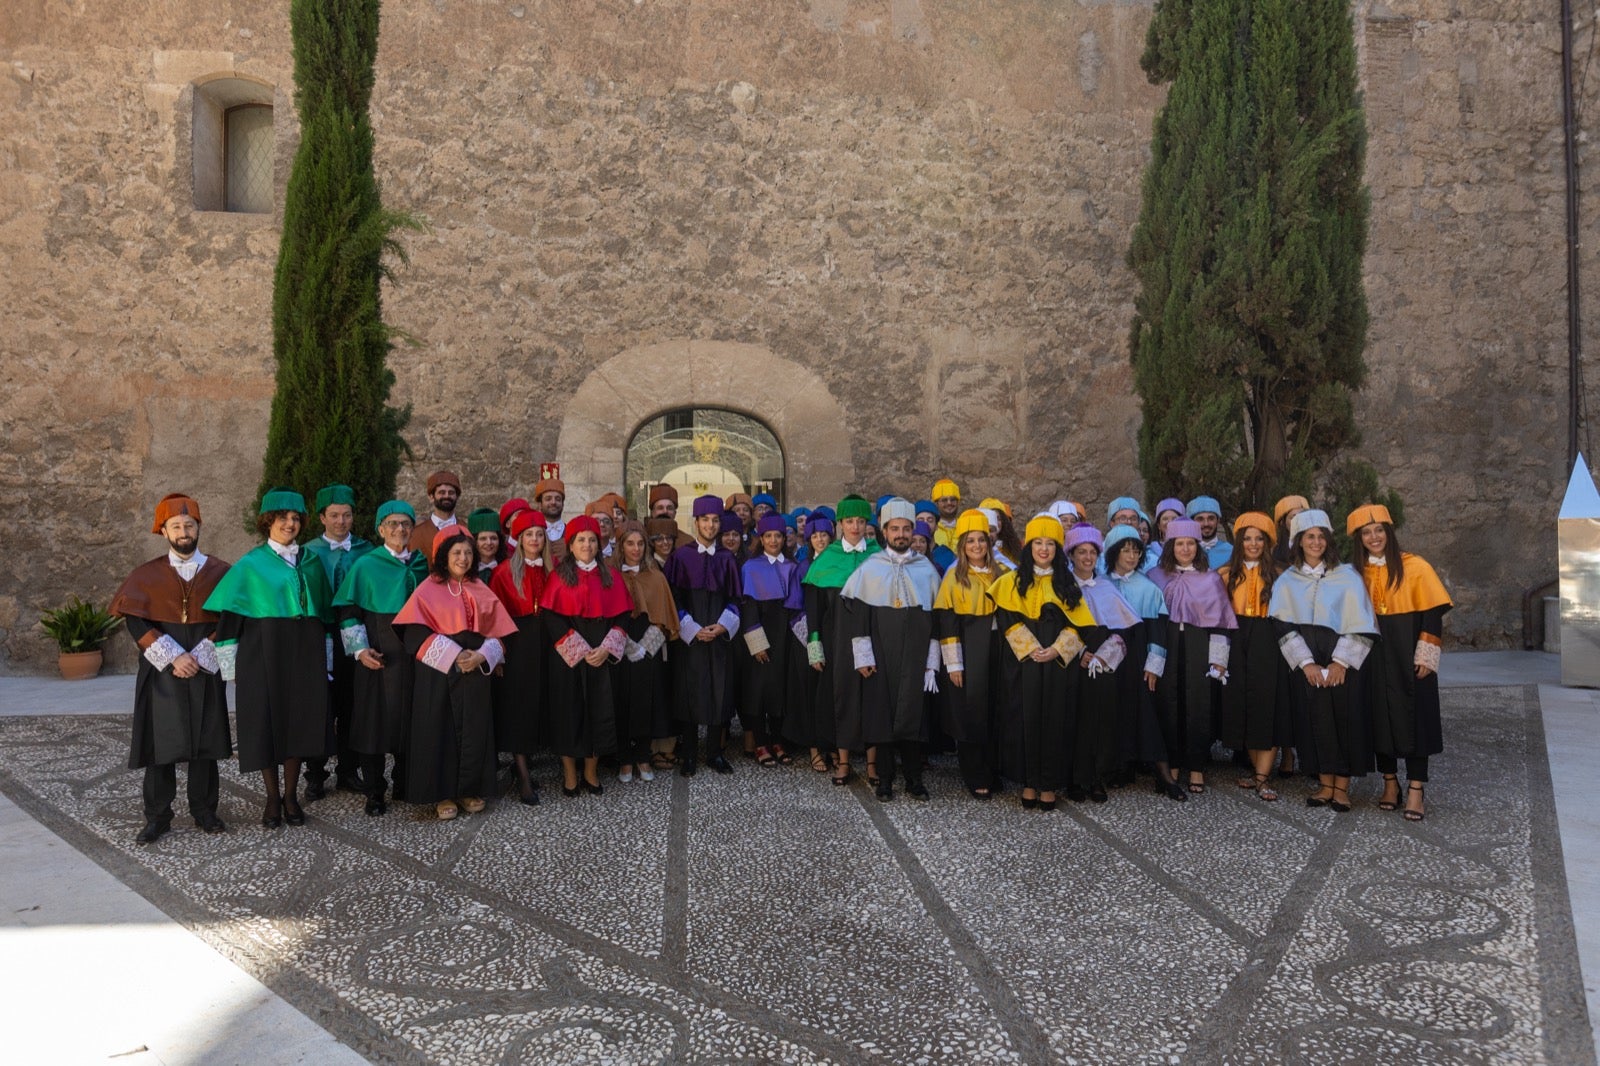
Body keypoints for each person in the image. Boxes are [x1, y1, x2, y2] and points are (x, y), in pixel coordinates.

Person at [205, 488, 334, 829]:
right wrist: (231, 670)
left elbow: (324, 617)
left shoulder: (311, 561)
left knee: (297, 724)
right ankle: (272, 797)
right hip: (262, 655)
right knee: (265, 724)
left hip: (304, 654)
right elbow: (230, 620)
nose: (290, 524)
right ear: (267, 522)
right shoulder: (251, 565)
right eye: (282, 518)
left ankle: (291, 795)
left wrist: (328, 660)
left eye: (295, 518)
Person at [109, 493, 231, 843]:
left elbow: (231, 617)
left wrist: (203, 653)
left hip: (205, 664)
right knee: (159, 743)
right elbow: (134, 620)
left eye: (189, 525)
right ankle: (158, 816)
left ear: (198, 528)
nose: (183, 531)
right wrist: (173, 656)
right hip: (161, 668)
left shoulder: (221, 572)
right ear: (163, 531)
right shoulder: (146, 575)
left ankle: (205, 811)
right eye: (175, 526)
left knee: (205, 741)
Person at [395, 527, 516, 820]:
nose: (463, 558)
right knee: (438, 731)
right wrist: (454, 655)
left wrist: (482, 655)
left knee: (475, 730)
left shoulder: (481, 589)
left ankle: (469, 789)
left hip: (474, 672)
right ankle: (442, 793)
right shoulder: (427, 590)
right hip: (438, 675)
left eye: (468, 553)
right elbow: (413, 633)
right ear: (443, 556)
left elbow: (502, 635)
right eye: (456, 552)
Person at [1270, 509, 1379, 812]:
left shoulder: (1347, 577)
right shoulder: (1288, 581)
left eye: (1321, 537)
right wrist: (1305, 663)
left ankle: (1342, 786)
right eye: (1309, 537)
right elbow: (1281, 625)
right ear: (1299, 542)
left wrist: (1340, 663)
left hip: (1342, 664)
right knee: (1313, 720)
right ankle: (1324, 784)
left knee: (1345, 719)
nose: (1316, 542)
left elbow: (1362, 623)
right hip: (1308, 662)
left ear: (1328, 541)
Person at [1349, 503, 1452, 821]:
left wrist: (1427, 654)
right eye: (1366, 532)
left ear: (1389, 532)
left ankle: (1417, 789)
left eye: (1379, 530)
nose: (1374, 536)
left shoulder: (1416, 566)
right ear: (1359, 539)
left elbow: (1433, 614)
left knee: (1416, 717)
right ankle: (1390, 783)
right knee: (1378, 717)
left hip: (1409, 652)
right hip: (1374, 654)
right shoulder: (1355, 573)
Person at [331, 500, 430, 815]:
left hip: (415, 659)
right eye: (393, 524)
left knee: (410, 722)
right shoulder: (365, 565)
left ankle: (404, 782)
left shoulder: (421, 565)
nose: (400, 529)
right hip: (377, 657)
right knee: (373, 726)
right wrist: (360, 651)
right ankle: (375, 791)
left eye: (405, 524)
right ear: (380, 529)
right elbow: (348, 613)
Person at [839, 498, 942, 800]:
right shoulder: (871, 569)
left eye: (906, 529)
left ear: (913, 532)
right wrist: (862, 657)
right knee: (881, 717)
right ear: (884, 532)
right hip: (880, 655)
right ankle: (885, 779)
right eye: (895, 529)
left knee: (913, 717)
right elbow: (858, 618)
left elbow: (936, 619)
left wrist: (931, 663)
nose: (901, 534)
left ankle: (914, 779)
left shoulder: (926, 569)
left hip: (914, 656)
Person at [990, 514, 1087, 811]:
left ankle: (1049, 784)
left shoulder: (1067, 583)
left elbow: (1080, 624)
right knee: (1023, 719)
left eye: (1050, 544)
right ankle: (1028, 782)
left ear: (1058, 549)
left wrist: (1057, 650)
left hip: (1058, 665)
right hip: (1024, 664)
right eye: (1038, 543)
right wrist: (1032, 649)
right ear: (1028, 546)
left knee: (1056, 721)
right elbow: (1007, 620)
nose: (1044, 549)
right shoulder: (1009, 581)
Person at [540, 516, 634, 797]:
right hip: (568, 657)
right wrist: (580, 650)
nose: (587, 544)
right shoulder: (557, 576)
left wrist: (606, 649)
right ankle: (570, 774)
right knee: (567, 714)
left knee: (599, 712)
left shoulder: (612, 576)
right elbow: (552, 617)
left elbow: (623, 616)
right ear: (570, 544)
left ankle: (591, 772)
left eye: (592, 539)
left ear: (599, 543)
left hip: (601, 655)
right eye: (581, 539)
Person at [1147, 518, 1236, 794]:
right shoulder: (1155, 576)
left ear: (1198, 548)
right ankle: (1172, 761)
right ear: (1170, 546)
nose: (1185, 549)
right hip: (1167, 641)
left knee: (1199, 702)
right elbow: (1151, 620)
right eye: (1179, 544)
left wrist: (1219, 660)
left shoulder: (1210, 578)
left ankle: (1196, 765)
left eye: (1190, 544)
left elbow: (1221, 622)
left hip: (1199, 641)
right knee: (1168, 700)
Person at [1062, 524, 1142, 803]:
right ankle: (1074, 779)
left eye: (1092, 552)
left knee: (1102, 720)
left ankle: (1096, 777)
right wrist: (1079, 651)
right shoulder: (1062, 585)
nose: (1087, 558)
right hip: (1073, 662)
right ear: (1071, 555)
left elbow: (1123, 631)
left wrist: (1103, 656)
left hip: (1104, 662)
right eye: (1081, 552)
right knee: (1074, 720)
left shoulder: (1107, 586)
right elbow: (1057, 626)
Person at [664, 495, 743, 775]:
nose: (711, 525)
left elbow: (736, 598)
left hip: (719, 636)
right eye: (705, 520)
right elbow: (672, 597)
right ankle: (688, 755)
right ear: (696, 522)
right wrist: (692, 628)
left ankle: (714, 753)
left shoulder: (727, 559)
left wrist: (721, 626)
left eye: (715, 520)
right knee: (689, 691)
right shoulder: (681, 557)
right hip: (690, 636)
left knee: (718, 692)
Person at [304, 484, 373, 799]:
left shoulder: (366, 551)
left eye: (346, 515)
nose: (341, 521)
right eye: (334, 515)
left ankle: (348, 770)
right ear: (322, 517)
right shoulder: (308, 553)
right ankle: (315, 774)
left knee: (350, 705)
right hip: (319, 637)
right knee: (319, 706)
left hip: (355, 637)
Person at [1103, 526, 1181, 800]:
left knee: (1145, 713)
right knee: (1112, 711)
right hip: (1107, 655)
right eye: (1126, 549)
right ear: (1113, 552)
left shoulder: (1149, 589)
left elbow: (1158, 630)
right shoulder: (1101, 583)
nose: (1132, 555)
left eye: (1136, 550)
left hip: (1137, 658)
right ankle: (1121, 766)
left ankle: (1164, 774)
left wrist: (1153, 665)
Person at [803, 495, 877, 784]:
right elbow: (814, 611)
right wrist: (815, 648)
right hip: (835, 641)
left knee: (872, 698)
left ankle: (872, 763)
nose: (856, 527)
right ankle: (843, 761)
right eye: (850, 521)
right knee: (840, 696)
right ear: (840, 524)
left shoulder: (878, 556)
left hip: (873, 639)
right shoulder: (826, 560)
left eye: (861, 521)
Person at [1216, 512, 1290, 801]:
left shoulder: (1281, 575)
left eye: (1260, 538)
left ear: (1268, 542)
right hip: (1235, 639)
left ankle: (1262, 777)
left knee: (1265, 704)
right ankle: (1255, 769)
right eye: (1247, 538)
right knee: (1241, 702)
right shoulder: (1224, 575)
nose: (1253, 543)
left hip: (1268, 640)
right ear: (1239, 541)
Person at [934, 509, 1003, 799]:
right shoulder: (954, 578)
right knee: (971, 714)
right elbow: (947, 623)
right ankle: (974, 773)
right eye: (970, 541)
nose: (977, 546)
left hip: (999, 652)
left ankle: (994, 769)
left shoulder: (1004, 574)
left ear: (989, 543)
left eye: (981, 540)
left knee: (997, 713)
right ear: (962, 546)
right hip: (969, 653)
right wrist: (954, 665)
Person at [488, 509, 552, 804]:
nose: (535, 539)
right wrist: (498, 655)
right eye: (529, 535)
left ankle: (527, 762)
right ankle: (523, 775)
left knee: (540, 704)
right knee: (518, 708)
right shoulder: (503, 572)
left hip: (547, 645)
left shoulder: (554, 568)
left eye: (540, 534)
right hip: (517, 646)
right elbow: (494, 618)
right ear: (519, 538)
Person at [613, 521, 679, 782]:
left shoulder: (656, 576)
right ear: (621, 546)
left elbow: (664, 617)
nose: (636, 548)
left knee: (645, 702)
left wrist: (644, 646)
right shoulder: (611, 575)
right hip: (619, 644)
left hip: (648, 647)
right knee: (621, 702)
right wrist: (626, 643)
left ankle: (642, 756)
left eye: (641, 543)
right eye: (630, 543)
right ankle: (624, 760)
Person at [740, 514, 807, 766]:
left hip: (785, 636)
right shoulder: (750, 567)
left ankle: (778, 741)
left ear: (784, 538)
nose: (773, 540)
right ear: (761, 538)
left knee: (781, 690)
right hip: (760, 634)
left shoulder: (792, 567)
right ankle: (760, 743)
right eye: (768, 536)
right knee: (758, 691)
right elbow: (747, 607)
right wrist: (757, 644)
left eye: (778, 536)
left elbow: (797, 607)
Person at [408, 470, 462, 553]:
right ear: (431, 497)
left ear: (457, 497)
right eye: (442, 492)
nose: (447, 496)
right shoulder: (416, 534)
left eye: (451, 492)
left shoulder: (466, 529)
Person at [1143, 498, 1187, 576]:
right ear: (1159, 525)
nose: (1169, 522)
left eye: (1174, 518)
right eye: (1165, 519)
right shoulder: (1149, 552)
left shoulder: (1190, 549)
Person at [1186, 496, 1231, 569]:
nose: (1206, 524)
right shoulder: (1184, 552)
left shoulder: (1231, 552)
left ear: (1218, 521)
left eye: (1211, 518)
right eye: (1200, 519)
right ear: (1191, 522)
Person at [534, 474, 568, 558]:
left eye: (558, 499)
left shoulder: (573, 535)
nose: (553, 502)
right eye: (548, 499)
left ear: (563, 504)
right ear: (540, 505)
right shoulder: (532, 534)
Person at [1272, 495, 1310, 567]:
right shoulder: (1274, 551)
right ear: (1282, 522)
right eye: (1294, 517)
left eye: (1302, 516)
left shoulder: (1316, 546)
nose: (1299, 521)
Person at [466, 507, 505, 577]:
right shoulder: (466, 571)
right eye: (483, 539)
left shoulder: (509, 569)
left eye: (493, 538)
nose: (489, 542)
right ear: (473, 541)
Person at [931, 478, 963, 551]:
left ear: (958, 503)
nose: (949, 503)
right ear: (936, 504)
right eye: (944, 500)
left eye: (953, 500)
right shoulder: (932, 528)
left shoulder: (964, 526)